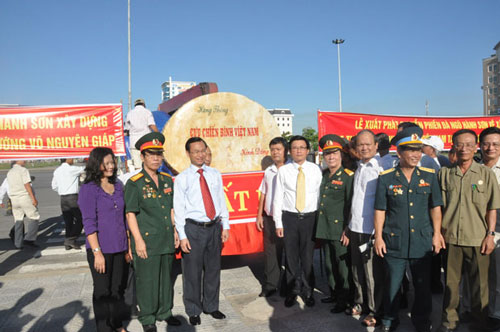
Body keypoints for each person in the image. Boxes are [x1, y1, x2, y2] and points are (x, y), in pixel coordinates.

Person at [374, 126, 445, 332]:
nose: (415, 154)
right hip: (394, 240)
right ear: (399, 152)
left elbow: (435, 207)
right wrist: (378, 237)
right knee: (393, 284)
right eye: (410, 150)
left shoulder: (429, 176)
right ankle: (389, 319)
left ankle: (422, 320)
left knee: (422, 286)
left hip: (422, 240)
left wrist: (437, 234)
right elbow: (380, 210)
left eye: (418, 150)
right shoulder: (386, 177)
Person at [438, 129, 500, 332]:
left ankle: (479, 324)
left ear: (476, 147)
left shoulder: (486, 174)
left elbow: (492, 208)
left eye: (468, 144)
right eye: (459, 144)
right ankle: (449, 323)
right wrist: (438, 233)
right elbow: (438, 208)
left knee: (479, 287)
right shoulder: (445, 174)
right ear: (453, 146)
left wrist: (490, 235)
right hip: (451, 238)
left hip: (477, 238)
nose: (464, 148)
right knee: (450, 286)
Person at [124, 132, 181, 332]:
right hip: (146, 241)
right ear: (142, 156)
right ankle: (147, 316)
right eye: (151, 154)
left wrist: (175, 232)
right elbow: (130, 214)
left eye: (159, 154)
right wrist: (137, 241)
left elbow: (171, 209)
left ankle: (165, 312)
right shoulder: (135, 183)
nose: (156, 158)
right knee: (147, 280)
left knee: (166, 279)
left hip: (165, 238)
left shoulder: (167, 180)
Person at [174, 137, 230, 326]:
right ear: (188, 154)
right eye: (196, 151)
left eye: (203, 150)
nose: (200, 154)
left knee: (213, 269)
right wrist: (182, 236)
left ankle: (211, 306)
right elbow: (179, 209)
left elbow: (221, 200)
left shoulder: (214, 174)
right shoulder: (182, 178)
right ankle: (193, 309)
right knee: (192, 272)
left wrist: (226, 225)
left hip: (214, 227)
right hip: (193, 229)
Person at [78, 147, 129, 332]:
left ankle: (116, 323)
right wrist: (97, 253)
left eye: (112, 162)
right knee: (102, 291)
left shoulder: (118, 185)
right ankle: (104, 328)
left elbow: (124, 218)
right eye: (105, 163)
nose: (110, 166)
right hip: (100, 249)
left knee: (117, 289)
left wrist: (128, 245)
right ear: (96, 164)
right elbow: (89, 223)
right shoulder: (89, 189)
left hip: (119, 246)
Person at [273, 135, 322, 308]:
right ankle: (293, 290)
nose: (299, 151)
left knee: (308, 258)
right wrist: (278, 223)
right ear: (290, 151)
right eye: (295, 148)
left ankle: (308, 291)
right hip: (290, 218)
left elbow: (319, 196)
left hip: (310, 218)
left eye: (302, 147)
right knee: (291, 257)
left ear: (308, 151)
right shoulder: (283, 171)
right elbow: (277, 198)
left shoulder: (316, 170)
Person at [345, 129, 384, 327]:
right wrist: (348, 226)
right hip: (355, 227)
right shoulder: (358, 166)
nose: (364, 147)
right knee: (356, 269)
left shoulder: (382, 168)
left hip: (371, 229)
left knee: (371, 274)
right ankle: (360, 303)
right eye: (360, 144)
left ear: (376, 146)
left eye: (368, 144)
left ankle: (375, 310)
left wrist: (380, 232)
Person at [316, 134, 354, 313]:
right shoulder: (323, 175)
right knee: (330, 265)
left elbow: (350, 205)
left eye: (334, 153)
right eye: (327, 154)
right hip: (325, 228)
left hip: (340, 229)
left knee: (342, 267)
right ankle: (334, 292)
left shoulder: (348, 176)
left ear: (341, 155)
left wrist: (347, 229)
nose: (331, 157)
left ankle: (344, 299)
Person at [256, 137, 288, 297]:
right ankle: (270, 285)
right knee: (271, 253)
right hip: (269, 218)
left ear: (285, 151)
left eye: (278, 149)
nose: (275, 153)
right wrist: (259, 214)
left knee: (289, 253)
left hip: (286, 218)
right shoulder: (269, 171)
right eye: (273, 150)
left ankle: (289, 286)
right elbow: (263, 193)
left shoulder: (291, 170)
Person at [479, 127, 500, 329]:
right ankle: (474, 310)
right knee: (478, 276)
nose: (490, 147)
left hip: (498, 231)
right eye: (486, 143)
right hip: (476, 231)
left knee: (498, 275)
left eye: (495, 144)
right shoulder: (474, 169)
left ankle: (496, 314)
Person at [51, 158, 85, 250]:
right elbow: (84, 168)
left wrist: (62, 190)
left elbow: (54, 186)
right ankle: (71, 239)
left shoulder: (57, 171)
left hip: (63, 198)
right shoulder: (71, 169)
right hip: (72, 198)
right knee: (80, 219)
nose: (73, 159)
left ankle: (68, 242)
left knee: (68, 221)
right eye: (71, 158)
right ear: (67, 159)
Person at [7, 160, 40, 249]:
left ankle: (17, 243)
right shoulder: (23, 170)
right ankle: (29, 239)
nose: (25, 161)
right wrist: (33, 198)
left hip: (14, 198)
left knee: (18, 220)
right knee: (34, 217)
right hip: (24, 197)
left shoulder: (10, 172)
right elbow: (27, 185)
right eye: (23, 159)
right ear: (18, 161)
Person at [124, 98, 159, 170]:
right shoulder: (147, 112)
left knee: (137, 166)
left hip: (134, 143)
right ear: (143, 104)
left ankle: (139, 180)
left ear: (135, 105)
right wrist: (158, 135)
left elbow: (127, 129)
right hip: (146, 142)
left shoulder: (129, 113)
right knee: (148, 165)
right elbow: (151, 125)